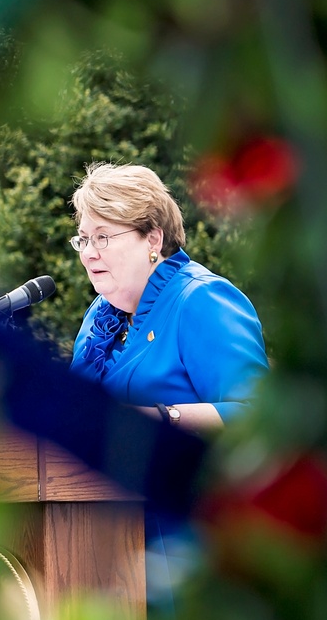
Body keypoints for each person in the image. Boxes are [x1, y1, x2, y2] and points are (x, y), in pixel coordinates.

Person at [69, 162, 268, 432]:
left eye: (102, 236)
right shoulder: (100, 313)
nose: (89, 252)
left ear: (153, 240)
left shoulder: (201, 300)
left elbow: (257, 416)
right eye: (83, 239)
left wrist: (161, 417)